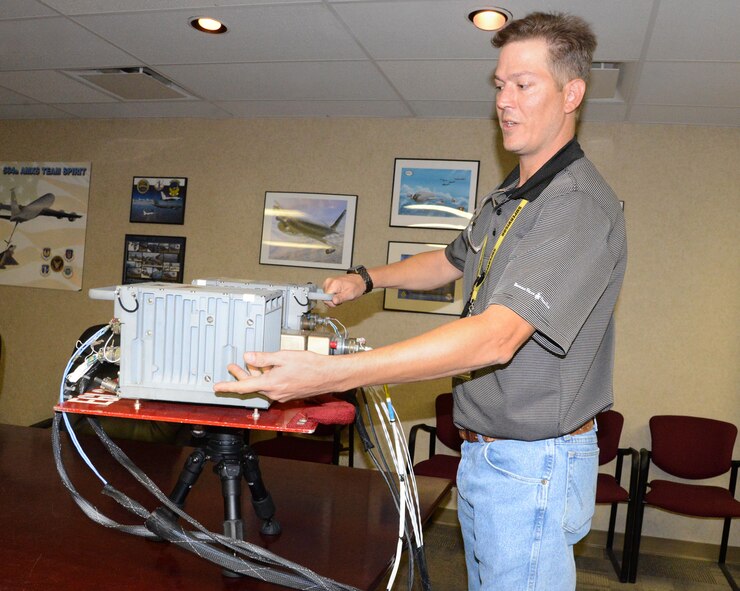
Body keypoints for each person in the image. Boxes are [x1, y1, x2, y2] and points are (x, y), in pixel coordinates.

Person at [215, 11, 627, 591]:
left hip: (536, 463)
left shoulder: (576, 205)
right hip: (492, 455)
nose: (504, 101)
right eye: (499, 85)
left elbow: (495, 337)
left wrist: (332, 373)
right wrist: (366, 278)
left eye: (523, 85)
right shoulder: (512, 193)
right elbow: (449, 261)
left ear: (572, 93)